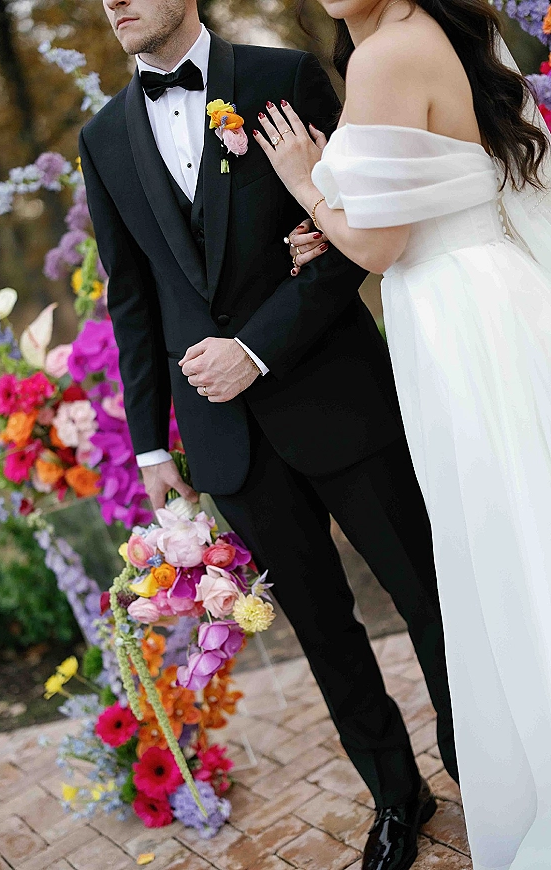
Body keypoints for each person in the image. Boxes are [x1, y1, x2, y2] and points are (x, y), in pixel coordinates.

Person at [79, 2, 460, 867]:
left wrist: (257, 348)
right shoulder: (103, 138)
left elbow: (354, 239)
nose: (114, 2)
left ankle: (480, 759)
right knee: (324, 633)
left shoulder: (282, 79)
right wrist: (151, 448)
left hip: (337, 398)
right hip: (225, 439)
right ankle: (396, 796)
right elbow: (131, 301)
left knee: (426, 595)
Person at [252, 0, 551, 867]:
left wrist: (310, 184)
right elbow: (427, 193)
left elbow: (380, 247)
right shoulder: (440, 34)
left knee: (508, 540)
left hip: (463, 325)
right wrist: (335, 220)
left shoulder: (385, 54)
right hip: (490, 294)